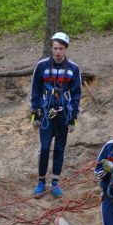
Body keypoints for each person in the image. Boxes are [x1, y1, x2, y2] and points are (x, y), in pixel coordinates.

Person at [30, 32, 82, 198]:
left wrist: (73, 116)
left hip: (64, 115)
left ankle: (55, 183)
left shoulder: (73, 68)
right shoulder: (42, 66)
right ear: (51, 48)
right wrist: (34, 112)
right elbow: (35, 90)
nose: (58, 52)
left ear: (66, 49)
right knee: (45, 148)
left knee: (59, 149)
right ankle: (41, 182)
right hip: (46, 114)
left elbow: (76, 94)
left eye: (61, 48)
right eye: (55, 48)